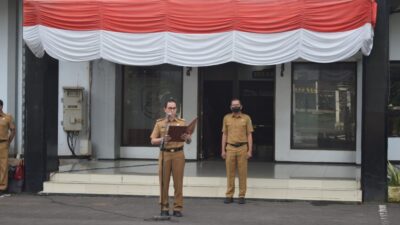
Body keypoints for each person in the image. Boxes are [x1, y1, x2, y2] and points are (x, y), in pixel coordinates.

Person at [150, 99, 191, 217]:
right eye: (169, 108)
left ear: (176, 109)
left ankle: (177, 208)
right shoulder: (160, 123)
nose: (172, 110)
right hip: (165, 154)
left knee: (178, 182)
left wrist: (187, 137)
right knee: (164, 182)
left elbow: (188, 141)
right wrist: (163, 139)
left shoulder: (182, 122)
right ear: (165, 109)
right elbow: (153, 140)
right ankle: (164, 207)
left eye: (174, 108)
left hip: (178, 154)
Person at [221, 98, 253, 204]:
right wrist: (223, 150)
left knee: (242, 173)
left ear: (241, 106)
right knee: (230, 173)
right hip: (230, 148)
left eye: (237, 105)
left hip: (242, 148)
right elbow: (224, 134)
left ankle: (241, 196)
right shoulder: (226, 118)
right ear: (231, 107)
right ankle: (229, 195)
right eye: (233, 105)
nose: (235, 106)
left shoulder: (246, 118)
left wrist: (249, 150)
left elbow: (249, 134)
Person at [0, 99, 16, 193]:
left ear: (1, 106)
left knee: (3, 166)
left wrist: (8, 142)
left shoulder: (7, 117)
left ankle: (2, 187)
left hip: (3, 144)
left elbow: (13, 130)